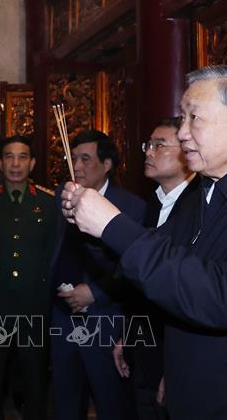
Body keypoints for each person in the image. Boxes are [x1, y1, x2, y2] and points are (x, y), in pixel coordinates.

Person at [61, 65, 227, 420]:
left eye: (194, 118)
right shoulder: (200, 193)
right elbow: (152, 271)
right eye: (183, 117)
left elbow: (222, 298)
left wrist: (112, 226)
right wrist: (90, 227)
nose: (183, 132)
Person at [50, 129, 146, 420]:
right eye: (74, 158)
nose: (77, 166)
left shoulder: (131, 207)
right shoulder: (60, 197)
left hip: (104, 318)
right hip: (61, 316)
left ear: (107, 165)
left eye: (85, 159)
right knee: (65, 400)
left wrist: (96, 292)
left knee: (110, 401)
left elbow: (132, 267)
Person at [113, 117, 198, 420]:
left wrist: (175, 369)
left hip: (176, 358)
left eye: (159, 145)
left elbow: (190, 293)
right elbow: (140, 282)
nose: (148, 152)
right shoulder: (152, 204)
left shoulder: (199, 207)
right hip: (144, 348)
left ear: (187, 150)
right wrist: (129, 335)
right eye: (147, 145)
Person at [0, 136, 56, 420]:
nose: (15, 163)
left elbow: (54, 255)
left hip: (34, 305)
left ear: (32, 163)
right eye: (9, 156)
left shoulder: (49, 202)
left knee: (35, 380)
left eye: (23, 157)